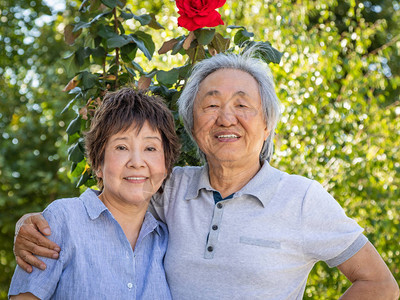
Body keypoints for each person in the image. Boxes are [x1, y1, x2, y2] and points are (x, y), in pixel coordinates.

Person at [13, 49, 399, 299]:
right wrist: (31, 226)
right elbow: (108, 207)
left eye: (242, 105)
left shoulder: (302, 199)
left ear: (267, 125)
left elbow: (380, 285)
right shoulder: (169, 186)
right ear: (192, 124)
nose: (226, 118)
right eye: (210, 105)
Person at [9, 88, 180, 299]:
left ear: (166, 165)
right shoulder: (63, 220)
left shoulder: (166, 240)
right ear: (98, 163)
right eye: (122, 147)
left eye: (150, 148)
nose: (137, 162)